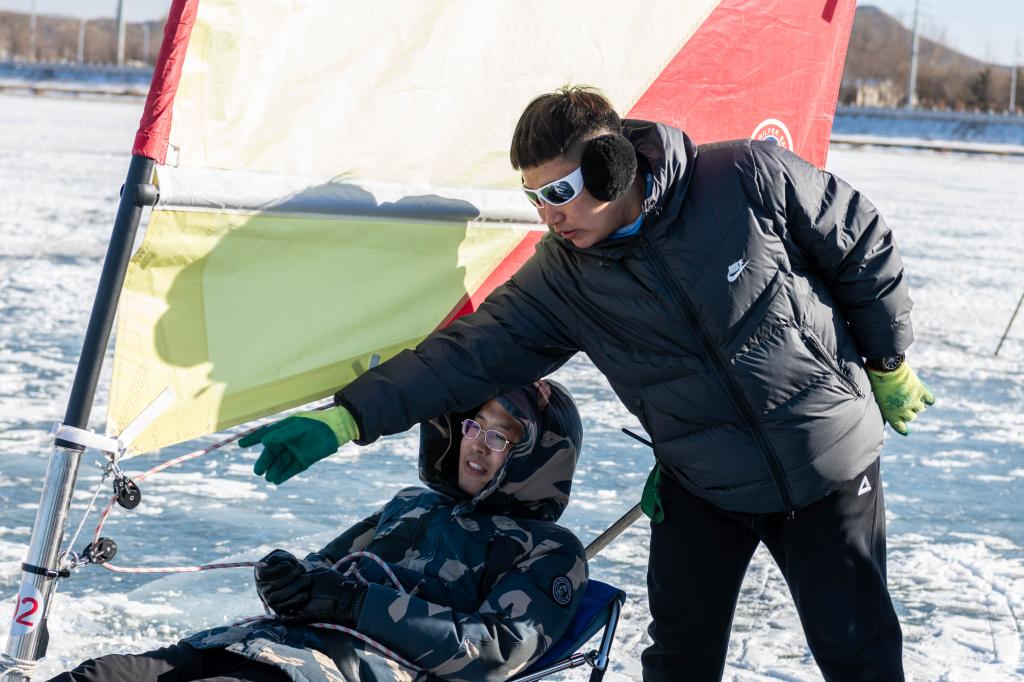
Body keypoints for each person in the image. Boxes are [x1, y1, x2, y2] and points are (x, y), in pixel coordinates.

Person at [243, 85, 935, 681]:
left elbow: (860, 244)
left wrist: (888, 360)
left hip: (826, 463)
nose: (547, 215)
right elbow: (465, 357)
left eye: (558, 193)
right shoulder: (564, 278)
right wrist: (349, 417)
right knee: (678, 660)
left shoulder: (746, 177)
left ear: (612, 166)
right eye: (534, 197)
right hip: (703, 484)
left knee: (856, 650)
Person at [50, 381, 587, 682]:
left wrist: (355, 604)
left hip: (347, 671)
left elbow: (497, 652)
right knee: (98, 677)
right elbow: (322, 574)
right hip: (261, 645)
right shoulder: (412, 504)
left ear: (538, 457)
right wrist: (288, 581)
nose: (476, 443)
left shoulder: (549, 550)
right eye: (474, 426)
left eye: (500, 437)